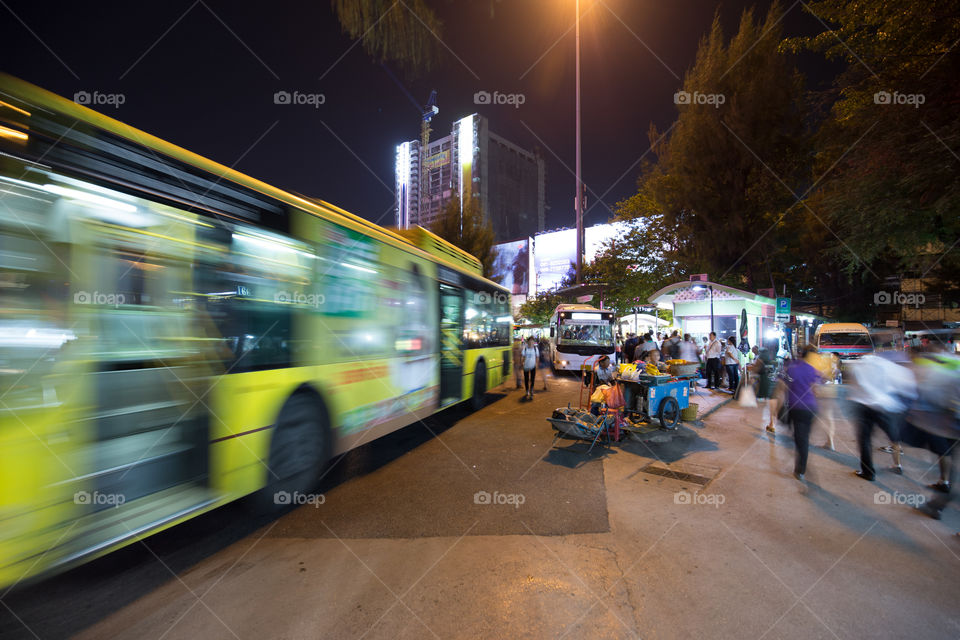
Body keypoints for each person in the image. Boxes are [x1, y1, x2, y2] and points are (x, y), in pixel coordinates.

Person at [846, 351, 916, 481]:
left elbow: (854, 387)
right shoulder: (887, 365)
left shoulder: (858, 366)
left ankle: (868, 472)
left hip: (865, 407)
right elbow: (906, 385)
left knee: (865, 440)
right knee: (893, 436)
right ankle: (897, 464)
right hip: (884, 407)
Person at [785, 345, 823, 482]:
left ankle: (800, 470)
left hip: (796, 407)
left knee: (800, 439)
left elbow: (784, 385)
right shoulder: (813, 370)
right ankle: (800, 468)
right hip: (810, 408)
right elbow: (816, 390)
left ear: (801, 354)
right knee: (804, 437)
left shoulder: (792, 368)